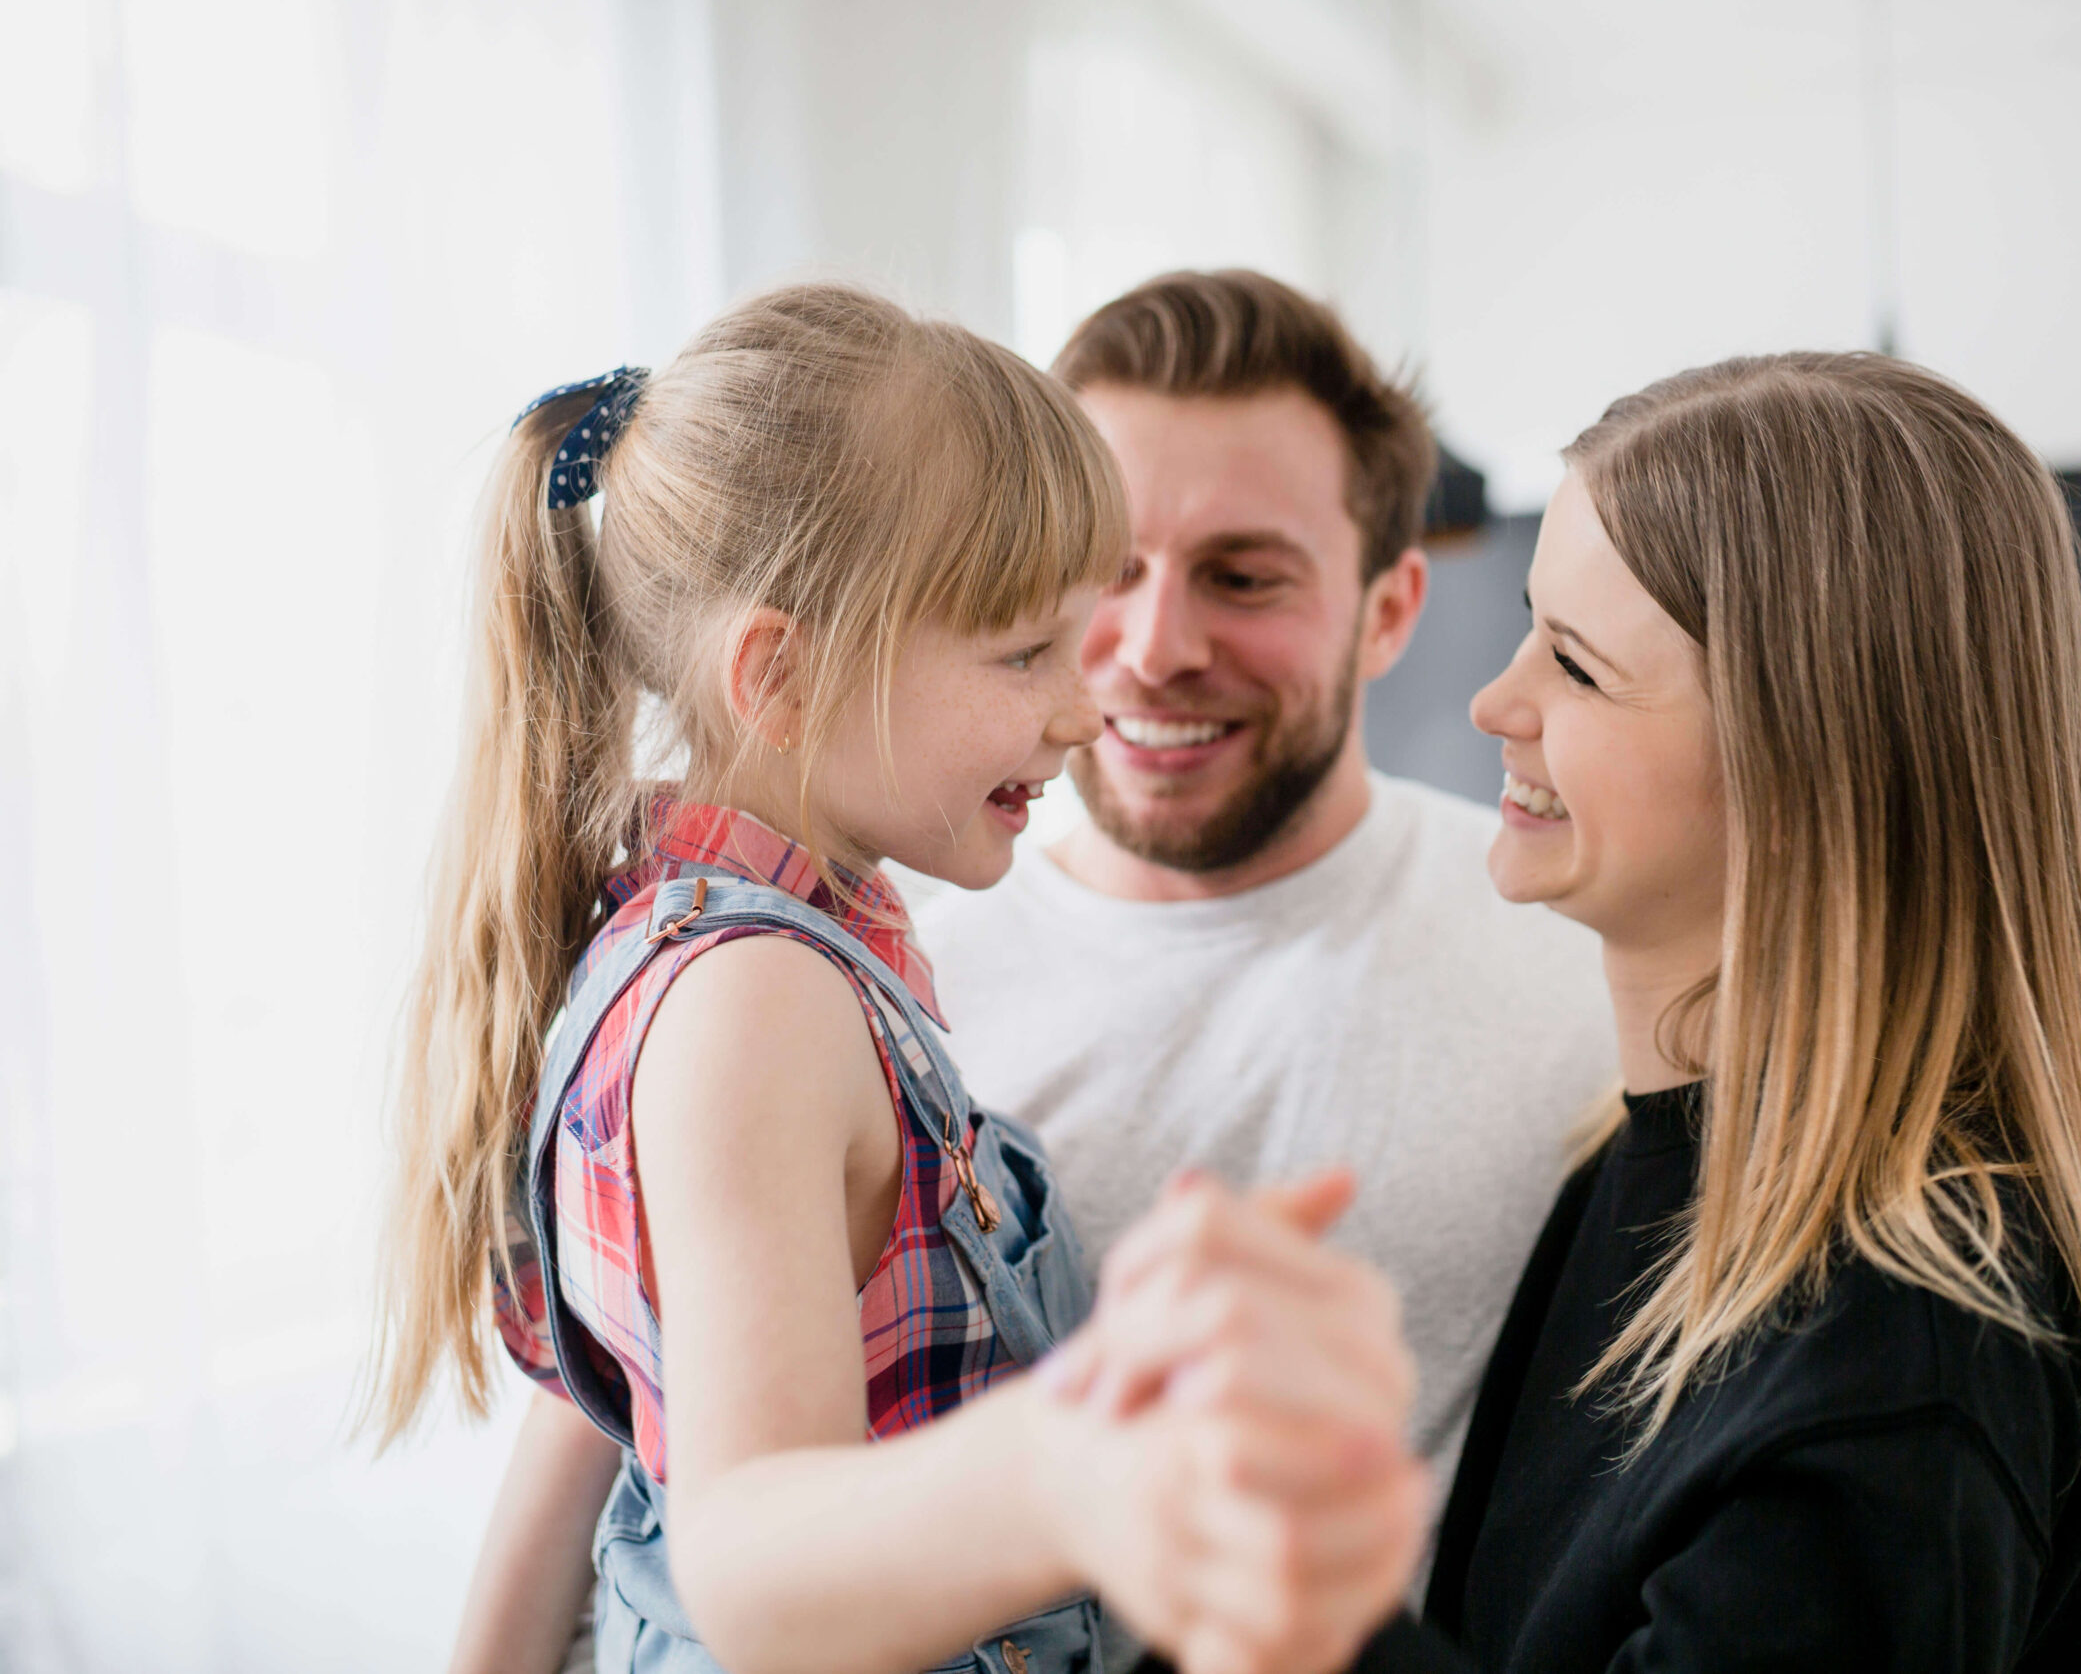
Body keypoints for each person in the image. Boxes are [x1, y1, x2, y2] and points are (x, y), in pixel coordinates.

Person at [1063, 351, 2081, 1672]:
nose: (1498, 702)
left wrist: (1278, 1588)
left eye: (1579, 667)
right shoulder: (1649, 1164)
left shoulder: (1896, 1357)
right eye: (1529, 626)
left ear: (1803, 768)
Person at [378, 281, 1430, 1674]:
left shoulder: (743, 935)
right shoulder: (758, 999)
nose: (1084, 702)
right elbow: (753, 1554)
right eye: (1023, 652)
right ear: (781, 675)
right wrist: (1073, 1464)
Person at [907, 270, 1621, 1512]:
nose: (1153, 647)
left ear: (1387, 611)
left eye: (1243, 579)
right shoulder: (893, 988)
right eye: (1104, 571)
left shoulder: (1586, 958)